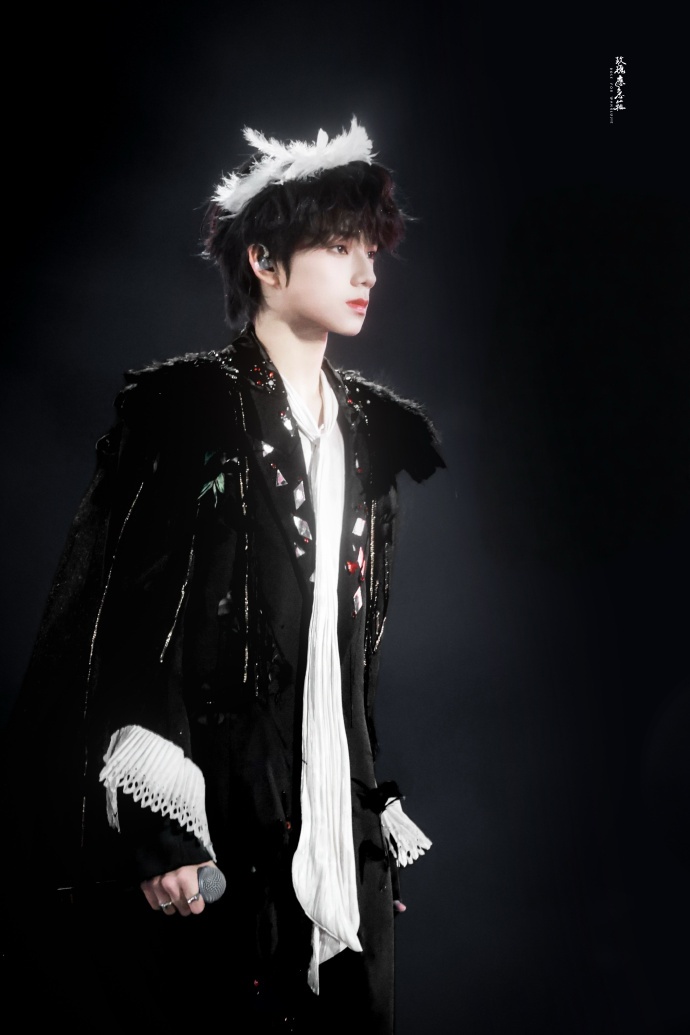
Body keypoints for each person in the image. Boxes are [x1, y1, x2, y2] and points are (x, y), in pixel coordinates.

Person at [1, 117, 445, 1033]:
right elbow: (122, 621)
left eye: (370, 249)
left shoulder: (370, 434)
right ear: (265, 262)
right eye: (338, 246)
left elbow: (346, 661)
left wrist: (357, 825)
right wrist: (162, 826)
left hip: (336, 832)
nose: (366, 270)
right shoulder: (189, 410)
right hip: (219, 825)